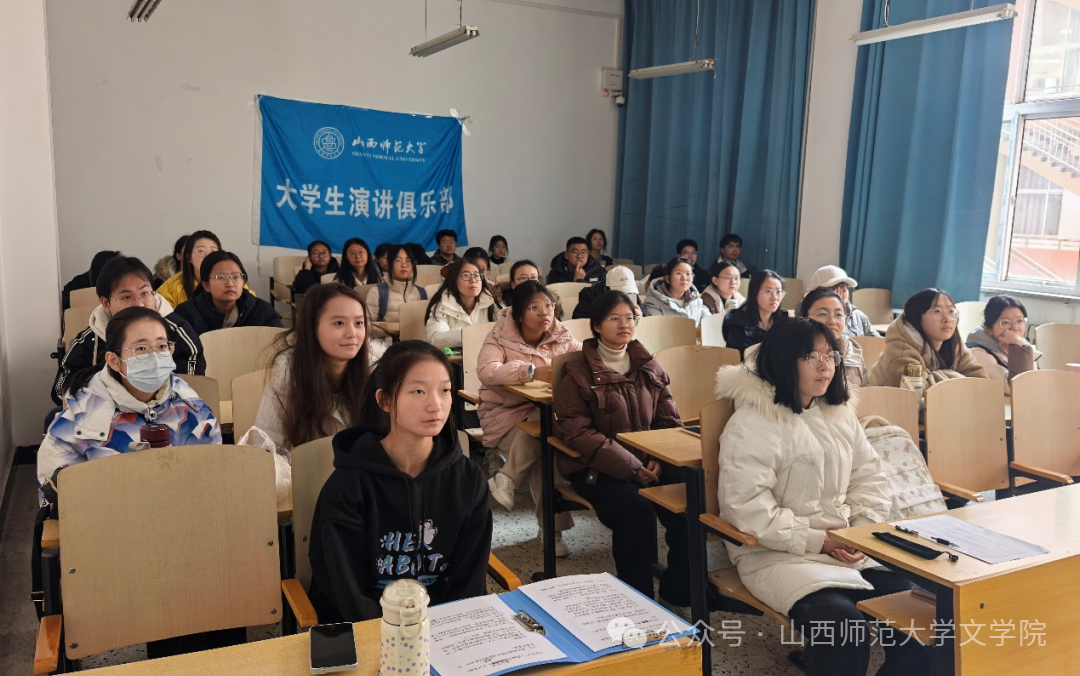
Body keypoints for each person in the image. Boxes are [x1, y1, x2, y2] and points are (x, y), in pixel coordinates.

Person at [714, 318, 931, 676]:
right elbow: (748, 510)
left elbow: (869, 478)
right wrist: (822, 541)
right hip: (779, 555)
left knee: (922, 613)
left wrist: (860, 532)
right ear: (783, 360)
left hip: (849, 546)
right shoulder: (751, 424)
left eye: (830, 355)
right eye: (810, 356)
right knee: (844, 628)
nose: (824, 365)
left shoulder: (839, 414)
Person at [306, 341, 492, 622]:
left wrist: (445, 629)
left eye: (444, 390)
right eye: (418, 391)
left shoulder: (468, 480)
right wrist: (395, 636)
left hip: (443, 627)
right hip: (366, 628)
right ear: (385, 401)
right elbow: (345, 588)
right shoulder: (348, 485)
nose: (435, 405)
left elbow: (468, 581)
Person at [554, 291, 690, 616]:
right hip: (597, 468)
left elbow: (669, 420)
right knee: (637, 510)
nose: (624, 324)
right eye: (614, 318)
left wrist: (659, 457)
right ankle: (639, 604)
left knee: (691, 497)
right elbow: (580, 435)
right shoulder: (577, 372)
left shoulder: (648, 364)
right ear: (597, 325)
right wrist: (632, 468)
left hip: (651, 461)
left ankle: (677, 592)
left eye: (629, 317)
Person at [41, 306, 221, 489]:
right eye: (141, 348)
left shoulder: (190, 405)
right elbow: (57, 494)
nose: (154, 357)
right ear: (114, 361)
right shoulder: (79, 420)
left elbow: (214, 475)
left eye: (162, 346)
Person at [479, 281, 581, 556]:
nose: (544, 312)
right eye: (534, 307)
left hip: (548, 416)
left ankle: (507, 478)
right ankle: (552, 531)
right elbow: (487, 371)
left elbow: (586, 360)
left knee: (545, 442)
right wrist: (531, 371)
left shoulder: (561, 335)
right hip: (505, 417)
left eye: (548, 305)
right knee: (546, 447)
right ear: (519, 314)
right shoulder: (499, 336)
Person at [53, 256, 205, 406]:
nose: (139, 304)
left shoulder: (178, 331)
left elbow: (193, 385)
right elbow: (60, 390)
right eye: (126, 297)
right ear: (106, 303)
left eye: (144, 293)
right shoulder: (90, 339)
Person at [254, 284, 370, 451]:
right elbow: (268, 450)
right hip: (304, 468)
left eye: (359, 323)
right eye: (339, 323)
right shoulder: (285, 383)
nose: (352, 333)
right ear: (312, 327)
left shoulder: (378, 375)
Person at [870, 289, 987, 388]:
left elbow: (981, 381)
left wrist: (938, 377)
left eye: (951, 311)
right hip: (882, 406)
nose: (947, 319)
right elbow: (919, 391)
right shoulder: (899, 351)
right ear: (917, 317)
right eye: (937, 311)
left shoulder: (955, 344)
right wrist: (957, 377)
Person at [172, 251, 283, 335]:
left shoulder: (262, 310)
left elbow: (281, 345)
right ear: (206, 285)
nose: (230, 284)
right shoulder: (186, 313)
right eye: (221, 277)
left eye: (235, 277)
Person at [965, 296, 1040, 395]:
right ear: (989, 330)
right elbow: (1015, 388)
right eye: (1005, 322)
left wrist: (1019, 345)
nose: (1015, 328)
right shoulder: (977, 353)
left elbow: (1034, 382)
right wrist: (1019, 347)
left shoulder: (1018, 343)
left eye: (1019, 321)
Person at [425, 258, 501, 350]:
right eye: (466, 275)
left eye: (477, 275)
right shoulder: (442, 305)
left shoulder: (491, 302)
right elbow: (435, 338)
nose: (473, 280)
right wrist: (469, 333)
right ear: (454, 280)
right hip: (457, 358)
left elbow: (508, 327)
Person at [802, 288, 868, 388]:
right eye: (822, 314)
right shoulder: (798, 351)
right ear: (804, 318)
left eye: (838, 314)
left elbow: (865, 390)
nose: (832, 321)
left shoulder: (851, 349)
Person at [364, 244, 427, 344]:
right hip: (388, 346)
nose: (404, 265)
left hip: (417, 346)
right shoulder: (377, 292)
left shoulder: (421, 292)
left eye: (408, 260)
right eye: (398, 260)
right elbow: (365, 325)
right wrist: (391, 330)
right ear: (389, 264)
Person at [722, 270, 786, 357]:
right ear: (754, 293)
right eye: (768, 291)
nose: (774, 298)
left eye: (778, 292)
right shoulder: (739, 326)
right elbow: (746, 360)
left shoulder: (784, 321)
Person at [157, 230, 225, 307]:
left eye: (213, 251)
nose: (208, 256)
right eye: (201, 251)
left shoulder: (231, 281)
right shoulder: (170, 289)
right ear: (189, 258)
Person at [807, 265, 878, 337]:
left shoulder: (858, 316)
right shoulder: (807, 316)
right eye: (832, 289)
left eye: (843, 288)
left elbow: (878, 341)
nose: (839, 293)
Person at [642, 256, 710, 326]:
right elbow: (658, 329)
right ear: (668, 279)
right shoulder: (653, 302)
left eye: (688, 274)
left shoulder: (696, 300)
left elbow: (709, 323)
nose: (684, 278)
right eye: (678, 273)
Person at [573, 265, 645, 320]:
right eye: (618, 294)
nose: (624, 298)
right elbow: (581, 324)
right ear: (605, 289)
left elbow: (646, 321)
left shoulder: (632, 296)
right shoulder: (590, 298)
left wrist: (639, 320)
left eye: (628, 292)